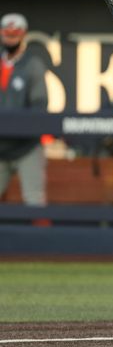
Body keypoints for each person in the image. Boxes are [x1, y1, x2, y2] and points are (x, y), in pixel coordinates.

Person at [0, 13, 48, 206]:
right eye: (7, 32)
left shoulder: (32, 65)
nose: (11, 36)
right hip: (0, 146)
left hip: (26, 146)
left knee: (34, 201)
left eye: (16, 32)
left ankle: (41, 237)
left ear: (23, 34)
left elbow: (40, 105)